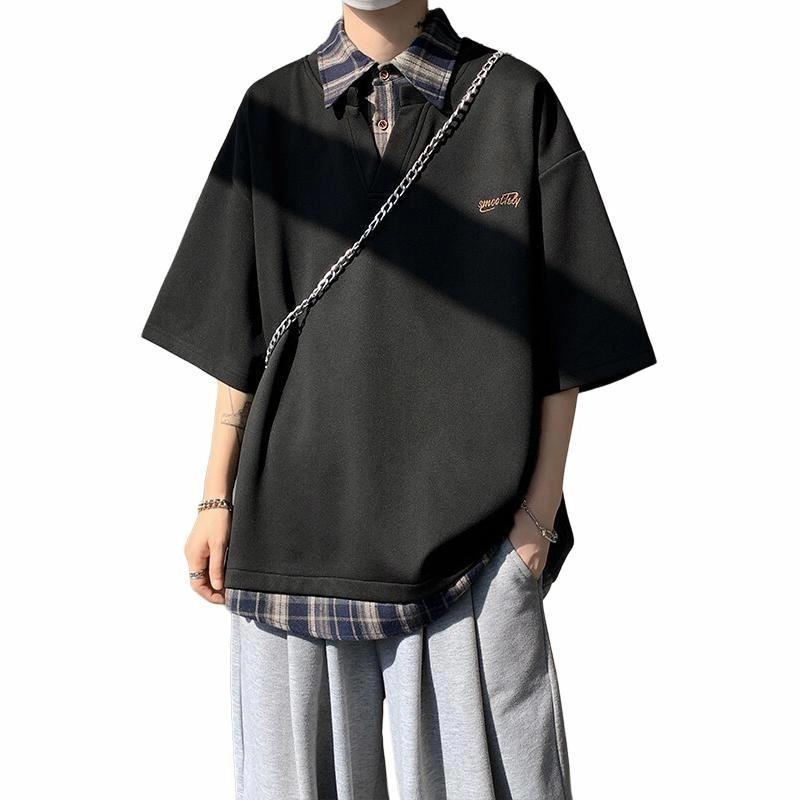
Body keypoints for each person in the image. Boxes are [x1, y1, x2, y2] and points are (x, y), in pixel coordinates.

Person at [141, 1, 657, 797]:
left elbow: (573, 337)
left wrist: (536, 523)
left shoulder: (514, 101)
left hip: (474, 553)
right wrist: (215, 497)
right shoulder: (271, 112)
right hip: (291, 546)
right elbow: (237, 331)